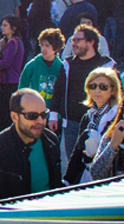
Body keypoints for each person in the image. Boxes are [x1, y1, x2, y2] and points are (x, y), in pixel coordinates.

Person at [0, 89, 62, 204]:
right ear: (14, 117)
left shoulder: (51, 142)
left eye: (44, 115)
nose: (40, 121)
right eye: (32, 116)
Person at [49, 24, 115, 158]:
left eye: (78, 40)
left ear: (91, 42)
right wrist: (53, 115)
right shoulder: (68, 64)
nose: (74, 44)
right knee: (72, 162)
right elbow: (59, 90)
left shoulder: (107, 65)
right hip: (71, 124)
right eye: (73, 40)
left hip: (98, 123)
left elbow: (117, 94)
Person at [65, 68, 121, 185]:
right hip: (86, 175)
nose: (97, 91)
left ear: (113, 90)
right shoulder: (88, 117)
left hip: (110, 179)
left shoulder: (118, 117)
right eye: (92, 86)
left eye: (103, 87)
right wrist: (67, 181)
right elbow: (77, 152)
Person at [0, 15, 26, 134]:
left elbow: (6, 63)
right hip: (12, 80)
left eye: (5, 25)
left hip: (9, 81)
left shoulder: (12, 43)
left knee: (1, 110)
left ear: (13, 28)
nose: (2, 28)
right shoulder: (15, 42)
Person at [19, 28, 65, 104]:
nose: (44, 49)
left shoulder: (61, 67)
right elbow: (22, 87)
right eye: (42, 45)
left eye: (47, 46)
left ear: (56, 47)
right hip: (35, 107)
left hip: (54, 111)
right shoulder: (32, 65)